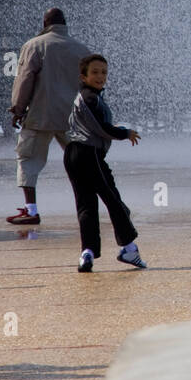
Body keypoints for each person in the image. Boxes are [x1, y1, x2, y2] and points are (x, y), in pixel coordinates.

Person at [6, 8, 90, 225]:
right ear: (65, 23)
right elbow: (90, 86)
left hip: (40, 115)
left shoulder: (34, 45)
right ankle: (96, 206)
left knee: (28, 160)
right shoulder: (81, 49)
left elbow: (25, 79)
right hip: (73, 117)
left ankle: (31, 210)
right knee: (85, 164)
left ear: (44, 23)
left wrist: (17, 108)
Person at [63, 54, 147, 272]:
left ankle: (87, 253)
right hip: (88, 154)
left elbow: (93, 125)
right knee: (113, 200)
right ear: (83, 76)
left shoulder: (86, 97)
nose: (101, 76)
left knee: (86, 205)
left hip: (73, 154)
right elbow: (101, 128)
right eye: (95, 72)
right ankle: (129, 248)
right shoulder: (90, 97)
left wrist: (111, 129)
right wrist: (124, 132)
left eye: (104, 72)